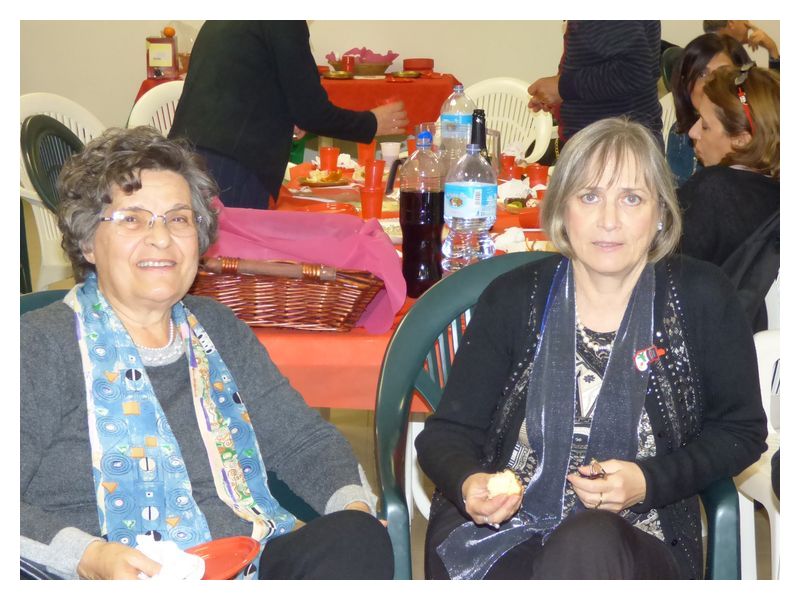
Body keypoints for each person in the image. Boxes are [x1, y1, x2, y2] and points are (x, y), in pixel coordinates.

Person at [20, 127, 394, 580]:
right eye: (133, 219)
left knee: (356, 537)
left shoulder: (217, 328)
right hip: (107, 574)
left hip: (248, 563)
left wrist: (353, 507)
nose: (161, 239)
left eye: (178, 219)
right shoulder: (39, 344)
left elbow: (302, 441)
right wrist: (88, 556)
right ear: (87, 243)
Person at [415, 117, 767, 580]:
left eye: (632, 198)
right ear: (562, 210)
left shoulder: (702, 297)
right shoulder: (513, 298)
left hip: (638, 538)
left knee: (588, 542)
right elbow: (446, 434)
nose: (609, 220)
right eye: (589, 196)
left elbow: (741, 432)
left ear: (661, 213)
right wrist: (469, 482)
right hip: (500, 535)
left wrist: (648, 481)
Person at [169, 21, 408, 210]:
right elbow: (312, 112)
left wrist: (284, 115)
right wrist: (372, 123)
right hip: (233, 165)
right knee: (232, 252)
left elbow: (241, 83)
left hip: (186, 155)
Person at [527, 21, 662, 147]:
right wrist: (560, 94)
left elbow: (635, 71)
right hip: (616, 141)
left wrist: (562, 88)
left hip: (613, 147)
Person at [667, 33, 750, 186]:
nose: (711, 82)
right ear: (685, 84)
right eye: (702, 74)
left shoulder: (755, 132)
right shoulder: (679, 134)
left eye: (723, 73)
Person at [703, 20, 780, 70]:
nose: (749, 25)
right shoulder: (724, 55)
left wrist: (772, 49)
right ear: (731, 23)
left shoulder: (705, 50)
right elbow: (771, 90)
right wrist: (772, 49)